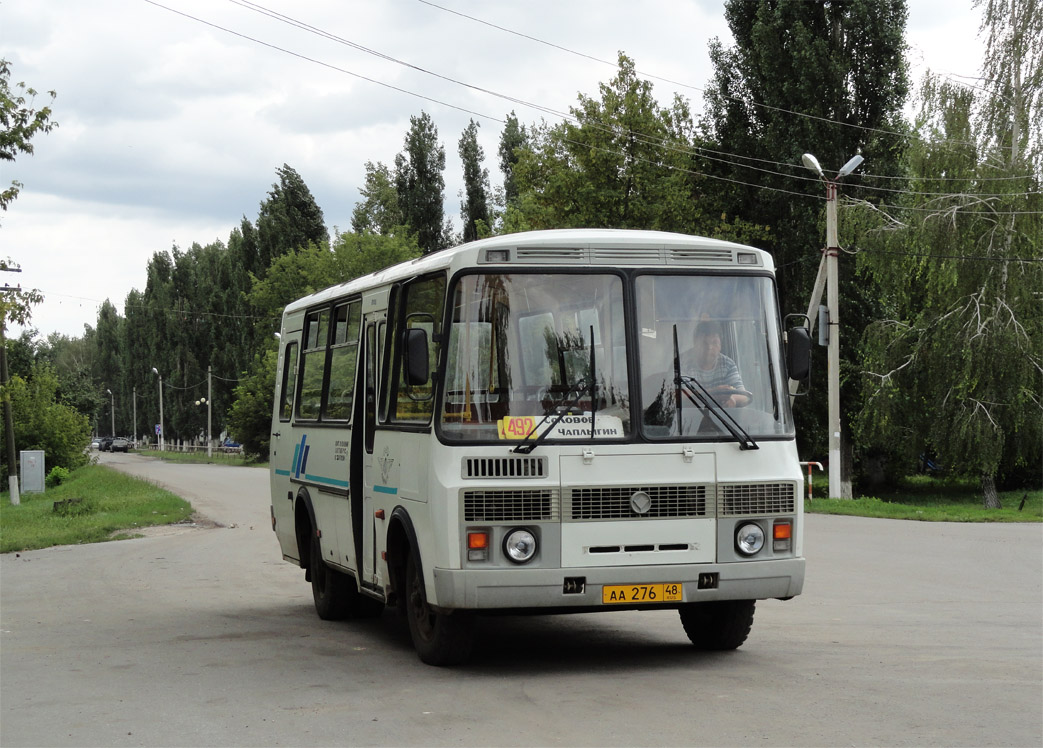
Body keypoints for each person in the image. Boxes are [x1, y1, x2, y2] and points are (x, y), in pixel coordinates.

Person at [690, 321, 750, 408]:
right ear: (695, 343)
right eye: (704, 343)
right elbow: (675, 395)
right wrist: (712, 393)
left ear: (720, 345)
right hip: (688, 418)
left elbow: (743, 396)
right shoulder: (682, 363)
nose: (709, 347)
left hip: (722, 419)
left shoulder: (727, 364)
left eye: (714, 343)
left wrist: (733, 399)